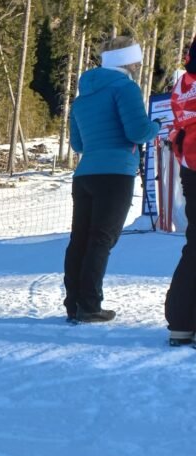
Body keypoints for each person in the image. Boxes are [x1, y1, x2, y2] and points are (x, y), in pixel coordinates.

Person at [65, 36, 160, 323]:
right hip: (116, 172)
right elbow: (137, 132)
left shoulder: (82, 97)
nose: (139, 64)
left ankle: (74, 304)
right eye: (137, 58)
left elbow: (78, 145)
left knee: (80, 239)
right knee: (102, 239)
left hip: (85, 174)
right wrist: (156, 126)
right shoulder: (125, 87)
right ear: (128, 60)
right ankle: (90, 305)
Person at [165, 37, 196, 345]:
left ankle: (181, 323)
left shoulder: (184, 83)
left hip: (191, 166)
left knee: (195, 244)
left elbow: (179, 125)